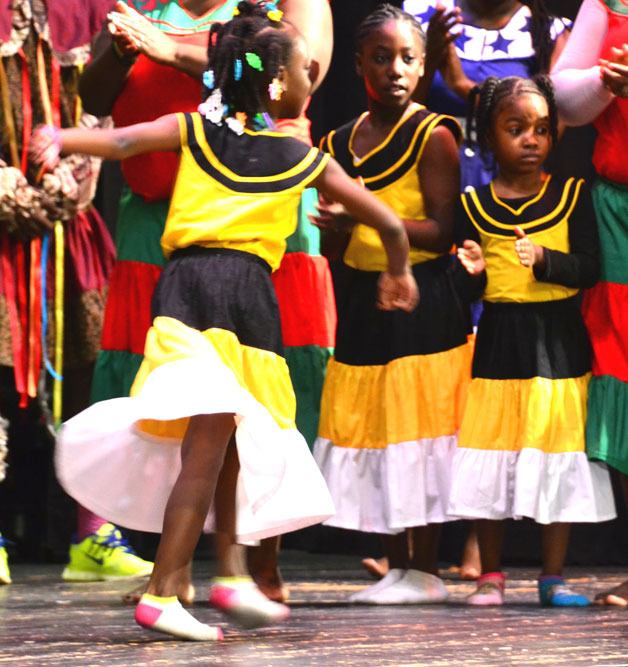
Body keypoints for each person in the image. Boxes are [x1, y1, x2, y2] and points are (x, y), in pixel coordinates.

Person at [32, 0, 418, 640]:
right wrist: (398, 271)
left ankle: (233, 572)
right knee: (207, 453)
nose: (311, 76)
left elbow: (123, 141)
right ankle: (163, 591)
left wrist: (60, 139)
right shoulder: (306, 160)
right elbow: (386, 221)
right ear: (276, 86)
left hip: (210, 297)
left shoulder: (195, 132)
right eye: (303, 71)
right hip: (223, 301)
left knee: (230, 442)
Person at [81, 0, 334, 604]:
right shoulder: (144, 10)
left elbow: (310, 64)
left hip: (256, 215)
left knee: (267, 380)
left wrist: (173, 52)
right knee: (170, 388)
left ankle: (255, 564)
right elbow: (94, 98)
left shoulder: (275, 7)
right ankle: (172, 567)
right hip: (163, 216)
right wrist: (123, 49)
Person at [313, 4, 471, 605]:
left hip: (422, 301)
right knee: (379, 431)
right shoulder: (335, 142)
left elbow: (440, 229)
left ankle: (425, 569)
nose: (395, 70)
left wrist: (361, 216)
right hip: (362, 297)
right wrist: (334, 227)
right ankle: (397, 564)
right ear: (358, 66)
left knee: (420, 431)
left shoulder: (432, 135)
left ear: (424, 64)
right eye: (381, 58)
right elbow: (336, 238)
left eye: (407, 58)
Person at [0, 0, 152, 585]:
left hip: (70, 224)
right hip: (10, 214)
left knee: (92, 373)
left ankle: (93, 534)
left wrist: (73, 177)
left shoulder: (85, 7)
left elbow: (103, 107)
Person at [451, 74, 616, 607]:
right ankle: (491, 575)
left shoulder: (572, 196)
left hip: (559, 345)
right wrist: (471, 272)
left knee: (558, 458)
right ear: (489, 135)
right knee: (491, 456)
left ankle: (552, 575)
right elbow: (460, 287)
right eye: (516, 129)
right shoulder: (473, 205)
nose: (530, 140)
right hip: (499, 343)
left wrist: (546, 261)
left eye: (541, 130)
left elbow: (589, 269)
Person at [551, 0, 628, 608]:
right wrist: (606, 80)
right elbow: (565, 103)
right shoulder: (606, 6)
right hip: (619, 213)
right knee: (623, 372)